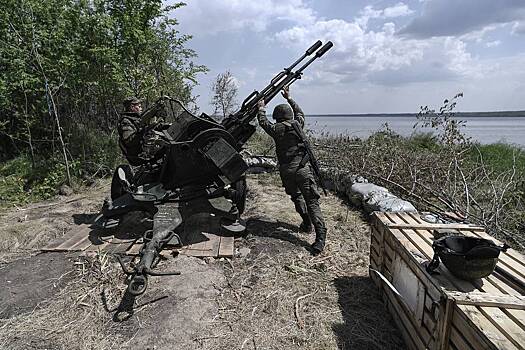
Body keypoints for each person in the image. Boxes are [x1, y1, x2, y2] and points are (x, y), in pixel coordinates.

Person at [257, 87, 328, 254]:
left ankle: (306, 223)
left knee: (296, 197)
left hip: (287, 170)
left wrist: (261, 108)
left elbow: (263, 122)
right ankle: (320, 238)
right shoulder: (298, 125)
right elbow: (300, 113)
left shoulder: (276, 130)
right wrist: (289, 98)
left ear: (277, 117)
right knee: (312, 202)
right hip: (303, 170)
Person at [118, 97, 147, 166]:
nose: (141, 109)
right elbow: (129, 141)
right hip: (138, 156)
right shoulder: (126, 121)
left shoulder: (137, 119)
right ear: (132, 107)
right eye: (139, 107)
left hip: (146, 151)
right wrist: (143, 131)